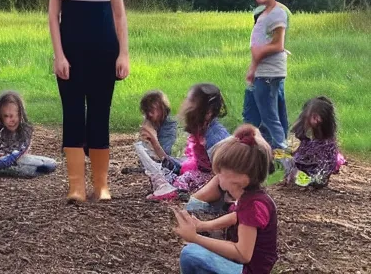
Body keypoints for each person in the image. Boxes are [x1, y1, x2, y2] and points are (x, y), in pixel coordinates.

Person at [48, 0, 129, 202]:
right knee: (72, 117)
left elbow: (120, 16)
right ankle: (76, 187)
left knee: (99, 117)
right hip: (70, 57)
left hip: (104, 55)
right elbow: (53, 18)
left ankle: (101, 185)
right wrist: (59, 56)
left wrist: (123, 54)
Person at [174, 124, 278, 274]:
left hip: (249, 270)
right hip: (244, 266)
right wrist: (203, 225)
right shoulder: (250, 196)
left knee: (190, 254)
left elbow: (243, 254)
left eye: (220, 173)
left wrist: (195, 238)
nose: (217, 176)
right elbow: (236, 217)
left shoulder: (254, 205)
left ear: (240, 178)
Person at [138, 83, 230, 201]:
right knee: (166, 170)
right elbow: (180, 165)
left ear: (208, 112)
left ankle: (176, 192)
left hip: (213, 182)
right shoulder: (201, 131)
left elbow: (226, 175)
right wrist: (155, 143)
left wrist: (197, 198)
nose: (185, 106)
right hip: (199, 173)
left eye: (191, 103)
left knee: (180, 178)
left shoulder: (215, 138)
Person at [243, 0, 290, 152]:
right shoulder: (263, 14)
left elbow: (278, 44)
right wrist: (253, 66)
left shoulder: (277, 14)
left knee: (270, 117)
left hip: (270, 73)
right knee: (255, 114)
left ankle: (283, 158)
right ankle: (257, 152)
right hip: (262, 72)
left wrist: (258, 53)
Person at [283, 96, 345, 188]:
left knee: (317, 181)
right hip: (302, 164)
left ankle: (312, 180)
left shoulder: (327, 140)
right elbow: (289, 147)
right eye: (314, 117)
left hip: (318, 168)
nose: (317, 121)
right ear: (307, 114)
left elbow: (328, 160)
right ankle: (299, 177)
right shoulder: (299, 128)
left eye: (319, 118)